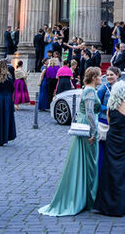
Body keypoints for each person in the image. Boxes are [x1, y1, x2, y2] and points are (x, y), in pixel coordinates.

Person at [39, 66, 102, 216]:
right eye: (99, 75)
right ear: (93, 77)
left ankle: (86, 197)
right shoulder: (90, 91)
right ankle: (88, 198)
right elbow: (90, 113)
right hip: (88, 129)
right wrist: (94, 131)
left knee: (85, 163)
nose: (101, 77)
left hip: (85, 126)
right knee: (90, 163)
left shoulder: (88, 89)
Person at [93, 80, 125, 216]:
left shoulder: (110, 107)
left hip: (112, 140)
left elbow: (109, 122)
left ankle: (107, 202)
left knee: (110, 170)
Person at [0, 60, 16, 147]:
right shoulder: (9, 77)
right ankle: (5, 137)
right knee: (6, 117)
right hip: (7, 98)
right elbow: (12, 89)